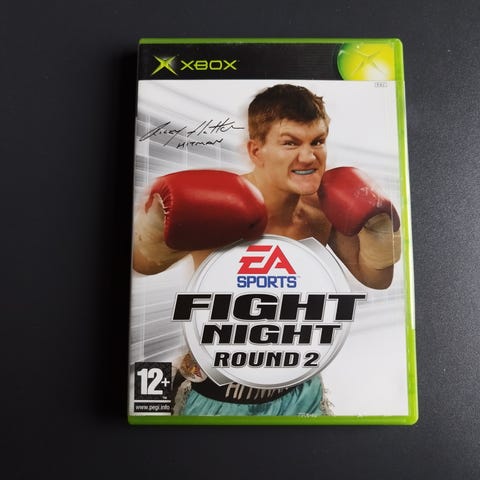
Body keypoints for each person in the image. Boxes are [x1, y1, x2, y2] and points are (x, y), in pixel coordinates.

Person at [132, 84, 401, 416]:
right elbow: (144, 264)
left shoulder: (321, 209)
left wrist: (379, 229)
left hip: (299, 389)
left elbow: (376, 277)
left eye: (317, 141)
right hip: (218, 393)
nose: (309, 157)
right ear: (256, 151)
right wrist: (155, 223)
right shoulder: (218, 205)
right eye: (290, 143)